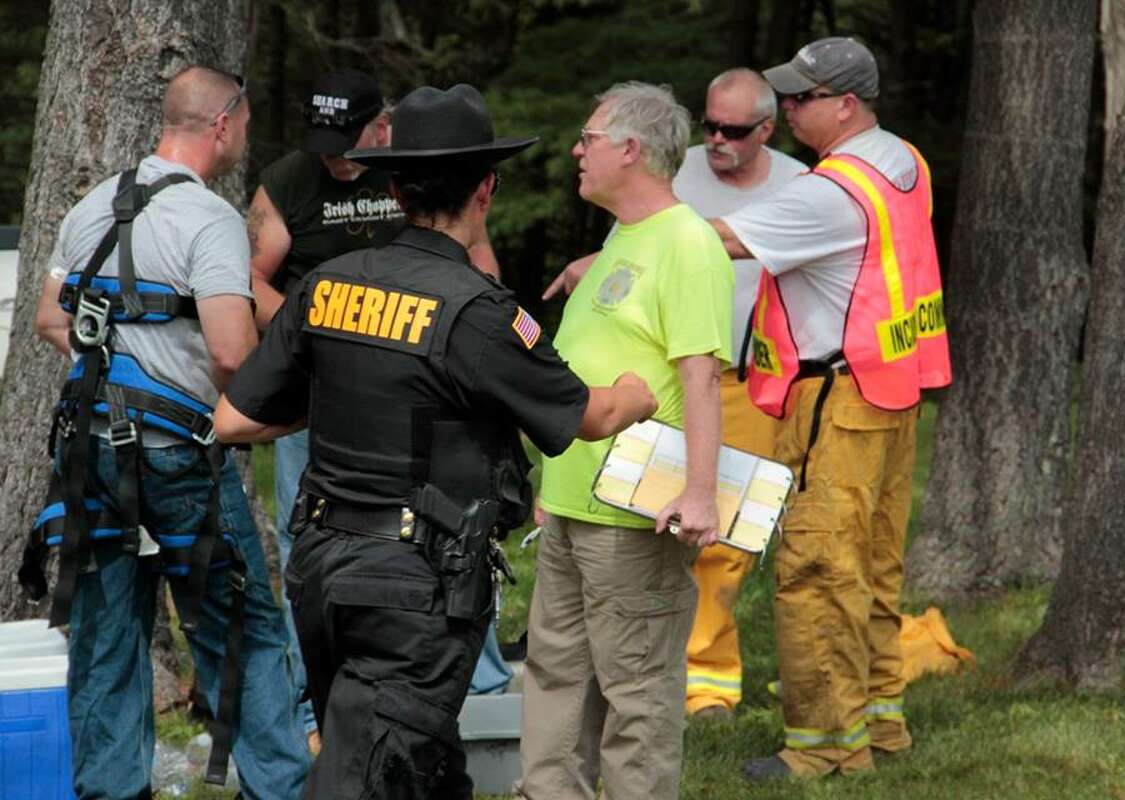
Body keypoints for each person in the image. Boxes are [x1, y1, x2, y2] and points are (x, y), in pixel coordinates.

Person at [212, 83, 658, 800]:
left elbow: (234, 420)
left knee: (407, 754)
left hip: (320, 573)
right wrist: (641, 392)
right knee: (369, 772)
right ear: (485, 190)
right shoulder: (479, 314)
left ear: (394, 190)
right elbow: (591, 417)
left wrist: (340, 404)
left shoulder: (326, 286)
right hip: (414, 586)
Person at [27, 66, 310, 799]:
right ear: (222, 125)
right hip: (180, 461)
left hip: (89, 460)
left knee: (105, 640)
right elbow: (229, 351)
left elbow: (50, 320)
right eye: (243, 124)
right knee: (239, 631)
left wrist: (116, 371)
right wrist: (265, 414)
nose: (243, 135)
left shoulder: (93, 206)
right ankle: (278, 789)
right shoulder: (211, 220)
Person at [706, 38, 952, 781]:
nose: (787, 109)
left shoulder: (830, 192)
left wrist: (628, 241)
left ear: (846, 104)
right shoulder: (903, 163)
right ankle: (880, 723)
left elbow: (718, 241)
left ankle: (824, 750)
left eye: (802, 98)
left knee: (817, 568)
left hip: (837, 401)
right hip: (891, 391)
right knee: (873, 565)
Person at [544, 67, 806, 721]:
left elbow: (698, 371)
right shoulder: (661, 191)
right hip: (591, 476)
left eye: (734, 129)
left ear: (766, 130)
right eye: (709, 124)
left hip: (744, 377)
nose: (716, 138)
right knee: (569, 673)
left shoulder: (790, 189)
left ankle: (711, 680)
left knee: (715, 541)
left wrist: (696, 486)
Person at [517, 82, 733, 800]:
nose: (577, 151)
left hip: (634, 518)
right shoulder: (619, 241)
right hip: (576, 508)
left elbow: (700, 378)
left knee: (634, 698)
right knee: (555, 682)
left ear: (632, 150)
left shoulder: (688, 244)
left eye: (590, 139)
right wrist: (552, 487)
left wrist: (701, 493)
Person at [246, 67, 404, 744]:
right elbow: (248, 275)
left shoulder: (410, 170)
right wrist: (318, 335)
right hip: (316, 382)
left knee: (417, 533)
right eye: (325, 141)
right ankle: (314, 705)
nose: (335, 154)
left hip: (404, 383)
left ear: (383, 126)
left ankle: (446, 686)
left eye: (349, 139)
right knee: (305, 537)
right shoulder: (288, 181)